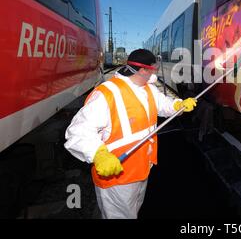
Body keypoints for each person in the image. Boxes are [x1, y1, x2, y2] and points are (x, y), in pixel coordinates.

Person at [64, 49, 197, 219]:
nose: (155, 72)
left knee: (132, 212)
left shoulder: (148, 89)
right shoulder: (107, 94)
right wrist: (98, 154)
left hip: (141, 169)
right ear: (143, 70)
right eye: (153, 69)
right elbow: (78, 131)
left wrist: (178, 106)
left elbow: (163, 105)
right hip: (116, 176)